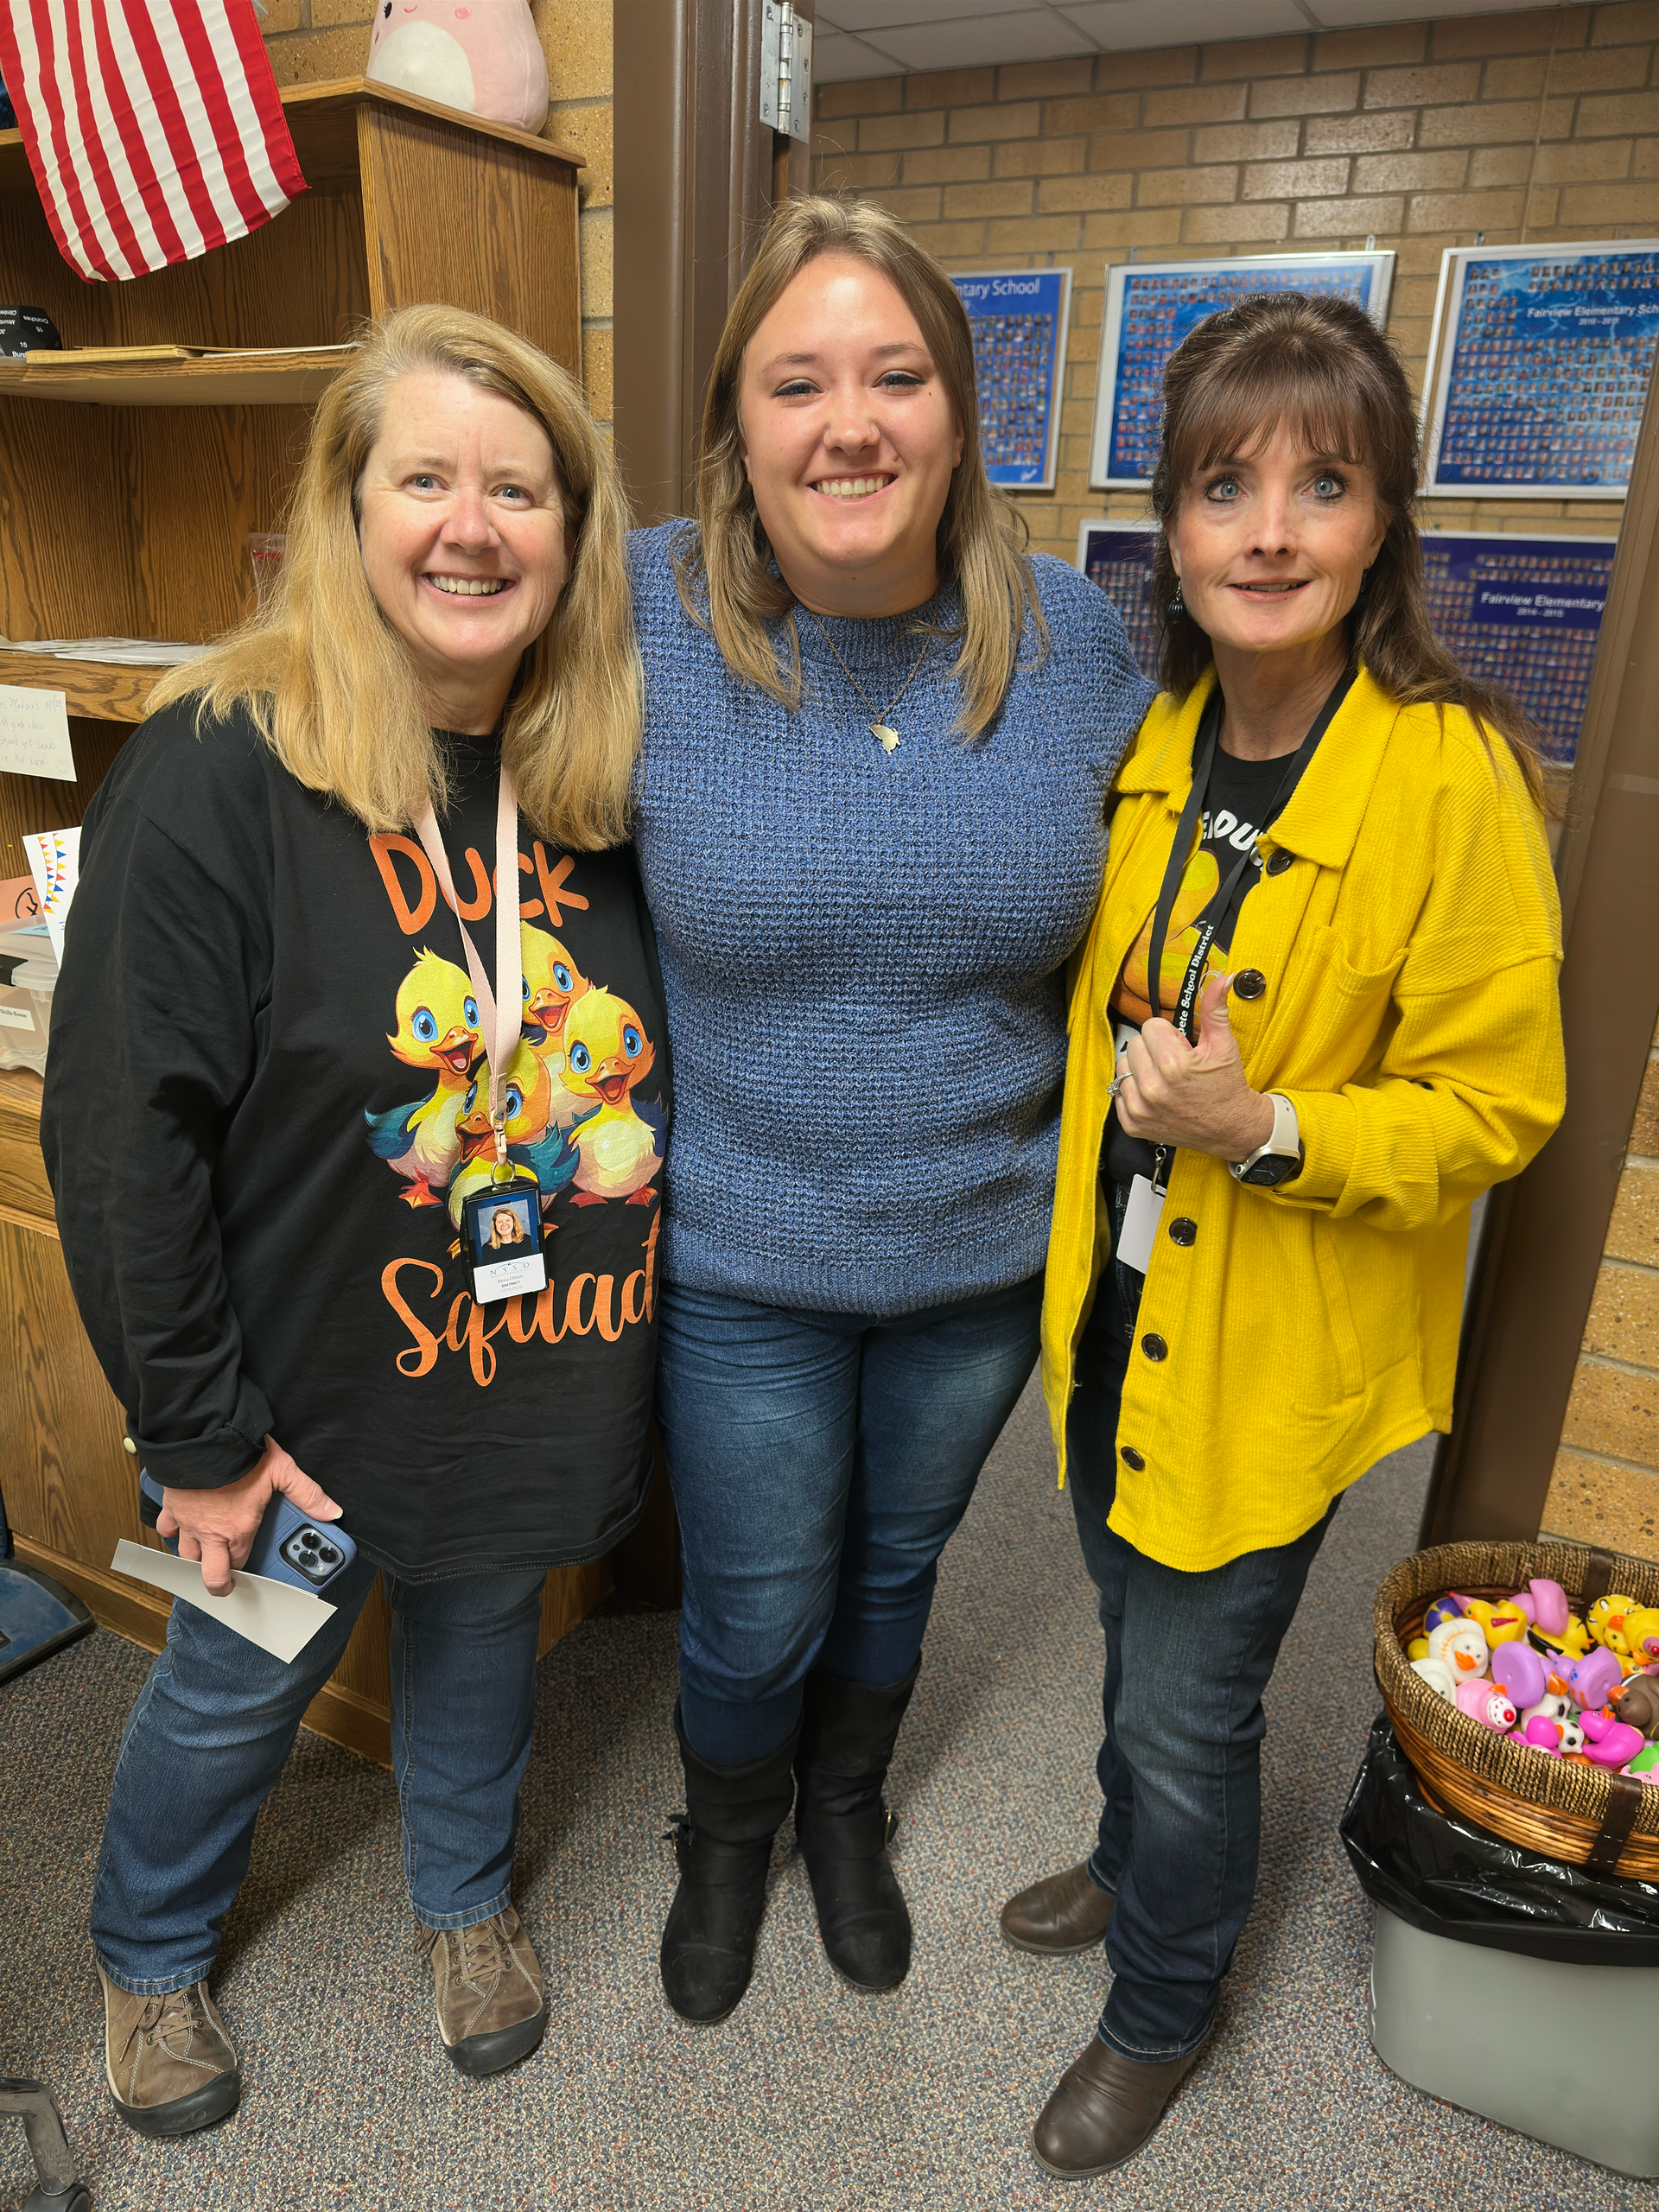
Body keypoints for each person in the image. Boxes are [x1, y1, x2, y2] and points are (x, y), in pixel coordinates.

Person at [42, 305, 665, 2135]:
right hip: (293, 1412)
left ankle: (466, 1902)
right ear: (349, 506)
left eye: (521, 488)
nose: (474, 526)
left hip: (516, 1372)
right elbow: (118, 1132)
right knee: (233, 1697)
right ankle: (147, 1955)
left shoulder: (587, 780)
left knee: (483, 1655)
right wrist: (199, 1433)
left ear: (571, 533)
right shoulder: (223, 764)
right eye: (427, 478)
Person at [1006, 292, 1566, 2177]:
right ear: (1169, 526)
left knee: (1192, 1690)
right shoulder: (1161, 736)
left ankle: (1164, 2001)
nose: (1269, 529)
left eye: (1321, 485)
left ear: (1383, 519)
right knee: (1126, 1621)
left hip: (1267, 1345)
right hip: (1113, 1310)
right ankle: (1124, 1851)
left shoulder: (1449, 769)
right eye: (1224, 485)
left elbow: (1501, 1105)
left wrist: (1266, 1127)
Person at [628, 196, 1152, 2025]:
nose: (849, 421)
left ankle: (844, 1804)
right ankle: (721, 1830)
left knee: (894, 1567)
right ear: (740, 426)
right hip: (745, 1253)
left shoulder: (1079, 644)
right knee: (757, 1596)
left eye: (895, 374)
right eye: (798, 381)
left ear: (956, 414)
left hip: (979, 1255)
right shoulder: (647, 618)